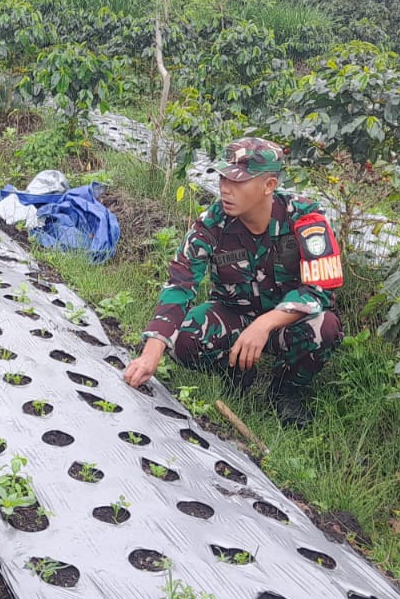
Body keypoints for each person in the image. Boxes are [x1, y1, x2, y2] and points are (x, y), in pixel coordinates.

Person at [122, 137, 344, 427]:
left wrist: (265, 324)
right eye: (224, 178)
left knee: (325, 327)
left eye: (238, 182)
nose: (226, 189)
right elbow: (181, 282)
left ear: (269, 186)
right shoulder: (214, 222)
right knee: (183, 341)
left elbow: (321, 290)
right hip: (234, 314)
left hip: (286, 322)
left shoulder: (304, 218)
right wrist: (151, 354)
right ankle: (236, 371)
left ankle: (285, 391)